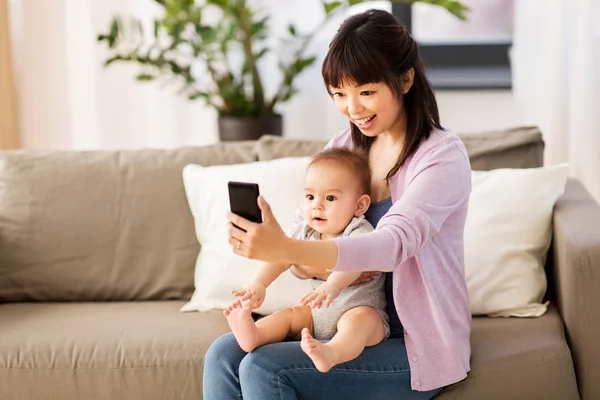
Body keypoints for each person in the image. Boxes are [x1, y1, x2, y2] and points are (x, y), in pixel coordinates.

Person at [204, 8, 472, 400]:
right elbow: (302, 249)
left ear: (405, 79)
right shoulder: (344, 149)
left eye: (366, 92)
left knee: (265, 367)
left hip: (409, 344)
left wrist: (297, 251)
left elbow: (392, 245)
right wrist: (285, 255)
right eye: (339, 94)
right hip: (336, 320)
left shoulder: (440, 157)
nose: (353, 108)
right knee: (224, 354)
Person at [223, 148, 390, 373]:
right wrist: (259, 283)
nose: (316, 206)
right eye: (310, 197)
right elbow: (282, 257)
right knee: (288, 315)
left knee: (359, 322)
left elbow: (353, 261)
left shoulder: (359, 230)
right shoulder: (307, 231)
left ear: (359, 206)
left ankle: (332, 352)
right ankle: (255, 334)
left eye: (330, 198)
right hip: (316, 316)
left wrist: (333, 284)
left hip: (360, 310)